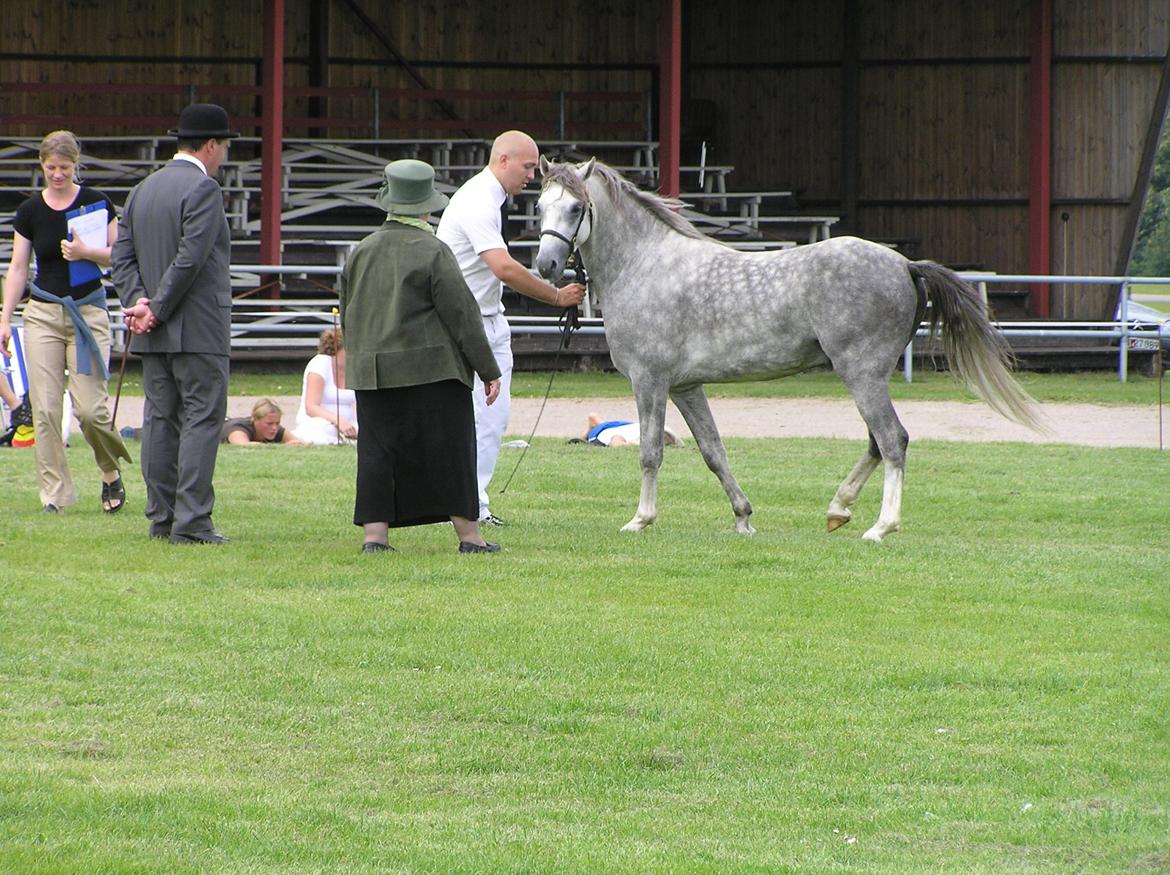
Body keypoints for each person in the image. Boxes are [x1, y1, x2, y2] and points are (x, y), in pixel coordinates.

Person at [340, 159, 503, 555]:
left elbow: (347, 312)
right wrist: (488, 369)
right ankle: (470, 537)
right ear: (427, 206)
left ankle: (375, 539)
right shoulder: (435, 251)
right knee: (452, 451)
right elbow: (462, 315)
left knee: (377, 455)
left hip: (373, 372)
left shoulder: (361, 251)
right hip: (433, 372)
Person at [436, 130, 587, 528]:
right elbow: (501, 267)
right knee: (479, 416)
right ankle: (468, 506)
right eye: (526, 167)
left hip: (486, 318)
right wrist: (555, 298)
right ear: (502, 160)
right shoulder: (477, 200)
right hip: (468, 323)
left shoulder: (490, 198)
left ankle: (473, 503)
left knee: (491, 418)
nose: (531, 176)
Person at [110, 104, 238, 545]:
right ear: (209, 145)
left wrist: (137, 302)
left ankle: (162, 518)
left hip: (152, 330)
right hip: (196, 328)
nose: (223, 154)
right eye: (222, 145)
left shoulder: (141, 190)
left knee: (161, 421)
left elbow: (121, 257)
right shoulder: (203, 189)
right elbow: (191, 258)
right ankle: (193, 522)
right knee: (202, 419)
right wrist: (157, 306)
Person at [0, 130, 132, 513]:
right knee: (44, 410)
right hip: (42, 312)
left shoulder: (96, 203)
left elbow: (119, 255)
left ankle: (109, 471)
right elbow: (20, 267)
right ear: (41, 165)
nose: (57, 174)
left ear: (77, 166)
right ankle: (54, 494)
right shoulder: (30, 211)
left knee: (90, 409)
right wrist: (5, 318)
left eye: (65, 168)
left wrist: (86, 251)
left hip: (88, 312)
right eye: (51, 167)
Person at [292, 327, 357, 445]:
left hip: (348, 426)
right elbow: (311, 407)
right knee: (323, 430)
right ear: (338, 348)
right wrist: (339, 421)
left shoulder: (354, 369)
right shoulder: (320, 364)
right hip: (318, 424)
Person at [221, 398, 304, 445]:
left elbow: (298, 443)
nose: (274, 428)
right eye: (269, 424)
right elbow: (243, 445)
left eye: (277, 423)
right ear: (255, 419)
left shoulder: (275, 429)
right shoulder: (238, 428)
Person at [584, 412, 683, 447]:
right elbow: (616, 442)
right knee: (593, 421)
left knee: (594, 420)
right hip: (614, 429)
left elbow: (616, 442)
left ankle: (593, 420)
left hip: (624, 427)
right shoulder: (598, 433)